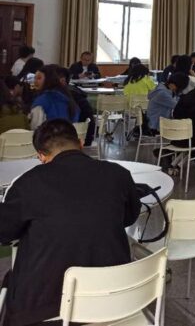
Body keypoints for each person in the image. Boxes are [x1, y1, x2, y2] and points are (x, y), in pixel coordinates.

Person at [0, 119, 141, 326]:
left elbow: (5, 232)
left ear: (41, 156)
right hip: (112, 297)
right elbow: (129, 217)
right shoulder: (119, 174)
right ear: (81, 144)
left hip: (47, 308)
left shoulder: (28, 182)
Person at [29, 64, 80, 129]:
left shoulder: (41, 101)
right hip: (69, 134)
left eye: (39, 78)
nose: (35, 81)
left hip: (48, 134)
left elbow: (35, 128)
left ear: (49, 79)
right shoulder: (67, 98)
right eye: (35, 78)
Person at [55, 66, 96, 146]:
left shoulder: (63, 96)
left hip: (72, 139)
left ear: (62, 80)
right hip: (84, 136)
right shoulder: (74, 91)